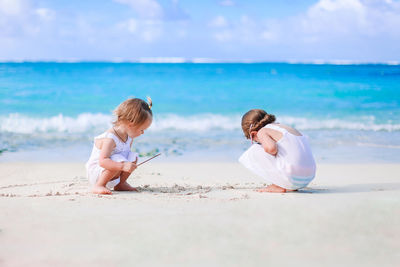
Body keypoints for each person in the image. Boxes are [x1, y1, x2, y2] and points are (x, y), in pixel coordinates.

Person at [85, 97, 153, 194]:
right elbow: (103, 161)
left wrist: (126, 165)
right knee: (117, 158)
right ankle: (99, 186)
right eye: (142, 129)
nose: (142, 133)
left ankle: (120, 184)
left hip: (113, 173)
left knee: (132, 156)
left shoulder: (129, 137)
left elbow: (125, 158)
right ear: (131, 124)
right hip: (97, 173)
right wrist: (122, 166)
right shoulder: (110, 139)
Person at [239, 109, 316, 193]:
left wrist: (263, 146)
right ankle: (288, 184)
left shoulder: (262, 131)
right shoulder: (282, 127)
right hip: (308, 178)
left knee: (253, 151)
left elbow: (271, 149)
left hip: (292, 177)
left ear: (253, 133)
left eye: (254, 140)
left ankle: (277, 185)